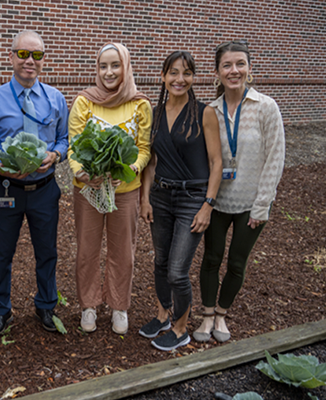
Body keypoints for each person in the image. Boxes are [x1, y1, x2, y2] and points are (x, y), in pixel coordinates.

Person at [0, 30, 69, 336]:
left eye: (37, 55)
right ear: (11, 57)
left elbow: (64, 139)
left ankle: (46, 305)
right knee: (3, 253)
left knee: (47, 252)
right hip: (7, 191)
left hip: (44, 190)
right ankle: (1, 311)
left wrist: (56, 154)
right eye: (23, 54)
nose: (30, 61)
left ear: (43, 61)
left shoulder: (56, 99)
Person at [194, 41, 285, 343]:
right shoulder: (212, 111)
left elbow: (275, 158)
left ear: (249, 68)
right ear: (217, 72)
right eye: (227, 65)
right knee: (211, 258)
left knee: (236, 262)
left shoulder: (266, 107)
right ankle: (206, 316)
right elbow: (208, 158)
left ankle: (222, 313)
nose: (234, 71)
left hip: (250, 203)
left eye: (240, 64)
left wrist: (263, 205)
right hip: (218, 201)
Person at [138, 51, 223, 351]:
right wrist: (145, 198)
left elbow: (216, 163)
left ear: (193, 78)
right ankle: (163, 315)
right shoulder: (156, 113)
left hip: (192, 199)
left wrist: (208, 205)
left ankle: (181, 327)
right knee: (160, 262)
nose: (179, 79)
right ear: (163, 77)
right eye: (173, 72)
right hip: (160, 196)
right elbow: (150, 161)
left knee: (177, 270)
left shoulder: (204, 113)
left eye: (186, 73)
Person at [67, 43, 152, 335]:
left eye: (115, 65)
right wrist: (81, 172)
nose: (109, 72)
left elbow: (144, 149)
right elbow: (74, 146)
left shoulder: (140, 104)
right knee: (87, 251)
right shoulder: (84, 102)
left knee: (123, 252)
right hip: (88, 190)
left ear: (126, 67)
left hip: (125, 191)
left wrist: (129, 170)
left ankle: (119, 306)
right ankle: (89, 305)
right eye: (103, 66)